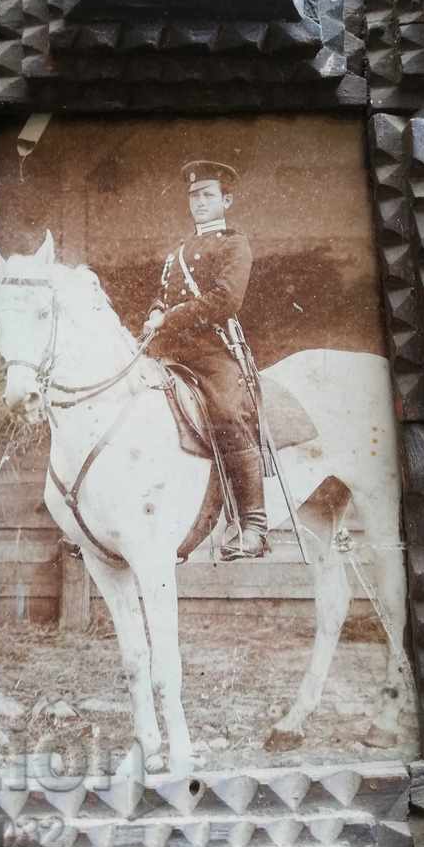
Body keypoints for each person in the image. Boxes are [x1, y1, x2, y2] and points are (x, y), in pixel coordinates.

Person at [143, 160, 267, 561]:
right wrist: (154, 313)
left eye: (208, 195)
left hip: (211, 352)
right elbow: (164, 294)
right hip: (168, 350)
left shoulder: (234, 244)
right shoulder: (177, 251)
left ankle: (253, 526)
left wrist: (169, 317)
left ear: (226, 200)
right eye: (194, 196)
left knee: (229, 413)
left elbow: (225, 300)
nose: (199, 202)